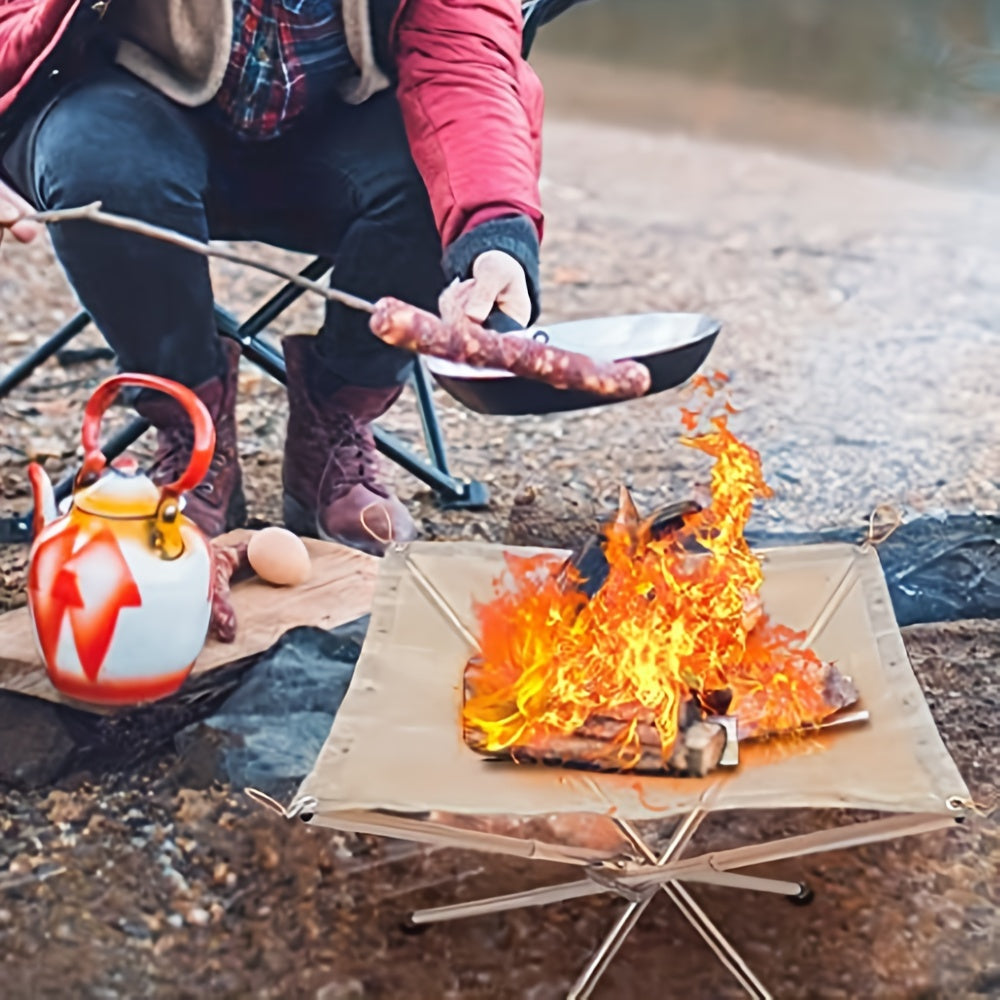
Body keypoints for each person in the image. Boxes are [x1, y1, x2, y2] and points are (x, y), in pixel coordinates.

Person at [0, 0, 580, 553]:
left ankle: (335, 425)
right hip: (139, 112)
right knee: (95, 159)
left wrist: (494, 231)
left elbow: (466, 58)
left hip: (336, 132)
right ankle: (192, 430)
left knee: (434, 180)